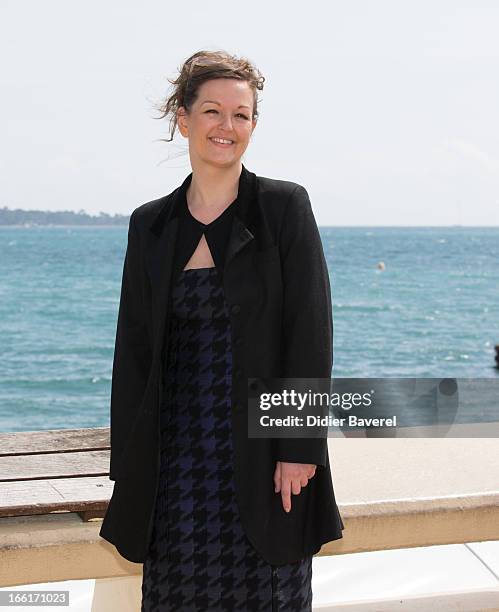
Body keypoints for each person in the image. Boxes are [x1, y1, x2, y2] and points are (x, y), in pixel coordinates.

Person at [99, 49, 344, 612]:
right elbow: (133, 355)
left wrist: (299, 450)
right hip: (174, 465)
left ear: (254, 125)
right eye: (212, 111)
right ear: (183, 119)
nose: (226, 127)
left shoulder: (284, 207)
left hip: (263, 458)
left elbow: (309, 332)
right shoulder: (150, 225)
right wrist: (129, 469)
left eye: (241, 114)